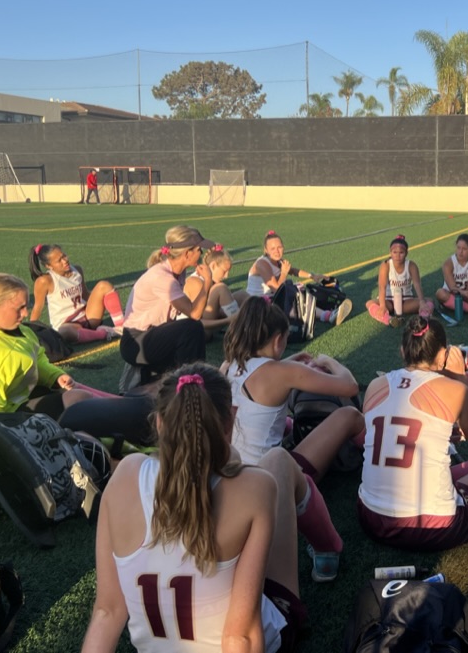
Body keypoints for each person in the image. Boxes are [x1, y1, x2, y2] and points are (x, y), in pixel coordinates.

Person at [82, 364, 324, 653]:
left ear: (159, 423)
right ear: (229, 422)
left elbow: (107, 612)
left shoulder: (124, 476)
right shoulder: (256, 486)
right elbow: (240, 638)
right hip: (252, 639)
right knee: (279, 461)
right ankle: (328, 551)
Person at [358, 317, 468, 550]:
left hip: (371, 517)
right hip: (434, 526)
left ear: (402, 351)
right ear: (442, 356)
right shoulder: (455, 390)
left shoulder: (375, 386)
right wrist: (461, 378)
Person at [221, 297, 363, 475]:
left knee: (288, 423)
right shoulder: (284, 372)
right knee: (350, 415)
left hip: (234, 473)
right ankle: (376, 456)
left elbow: (260, 377)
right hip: (271, 480)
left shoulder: (230, 365)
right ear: (278, 340)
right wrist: (329, 361)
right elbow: (350, 386)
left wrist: (291, 361)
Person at [0, 273, 94, 437]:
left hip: (10, 411)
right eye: (19, 308)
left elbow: (37, 358)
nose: (26, 313)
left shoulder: (22, 331)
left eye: (26, 306)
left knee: (78, 402)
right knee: (78, 401)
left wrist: (54, 376)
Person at [119, 226, 213, 386]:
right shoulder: (162, 278)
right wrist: (207, 283)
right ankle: (190, 384)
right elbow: (195, 313)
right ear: (187, 253)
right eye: (199, 250)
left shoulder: (178, 272)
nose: (201, 254)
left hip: (151, 334)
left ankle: (186, 378)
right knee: (192, 328)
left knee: (189, 332)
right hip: (136, 341)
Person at [246, 230, 352, 326]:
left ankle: (329, 310)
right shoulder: (262, 264)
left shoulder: (277, 260)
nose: (277, 251)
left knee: (302, 289)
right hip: (259, 304)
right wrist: (283, 273)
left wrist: (312, 276)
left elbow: (293, 271)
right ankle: (328, 316)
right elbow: (277, 290)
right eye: (272, 248)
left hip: (272, 298)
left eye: (279, 247)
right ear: (266, 250)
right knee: (295, 296)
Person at [29, 243, 124, 344]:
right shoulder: (44, 281)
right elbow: (37, 308)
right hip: (67, 325)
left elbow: (85, 295)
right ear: (49, 266)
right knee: (64, 332)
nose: (65, 261)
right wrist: (29, 333)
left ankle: (122, 327)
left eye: (64, 256)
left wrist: (102, 301)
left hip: (88, 317)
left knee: (104, 285)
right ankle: (103, 333)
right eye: (59, 260)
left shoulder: (77, 270)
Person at [366, 234, 433, 326]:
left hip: (405, 302)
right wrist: (382, 305)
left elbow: (417, 285)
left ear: (406, 253)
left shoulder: (411, 265)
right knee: (370, 303)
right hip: (389, 301)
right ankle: (389, 320)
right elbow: (382, 287)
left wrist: (422, 302)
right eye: (394, 252)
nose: (397, 256)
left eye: (401, 252)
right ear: (390, 252)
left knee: (428, 301)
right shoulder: (386, 265)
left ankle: (423, 318)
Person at [181, 245, 244, 340]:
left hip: (205, 327)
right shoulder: (195, 282)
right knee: (221, 288)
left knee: (242, 295)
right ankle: (244, 329)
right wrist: (227, 320)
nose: (226, 276)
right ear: (213, 266)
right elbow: (197, 321)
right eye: (224, 271)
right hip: (193, 332)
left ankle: (261, 321)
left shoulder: (213, 281)